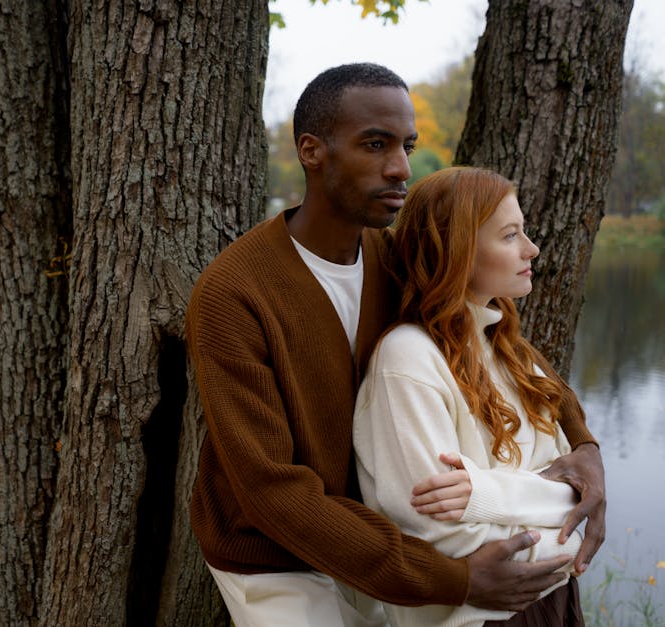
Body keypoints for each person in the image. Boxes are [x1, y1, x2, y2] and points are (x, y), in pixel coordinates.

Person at [185, 63, 605, 626]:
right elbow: (272, 492)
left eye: (407, 146)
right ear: (312, 150)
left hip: (378, 525)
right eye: (376, 145)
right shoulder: (233, 294)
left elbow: (504, 344)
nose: (401, 168)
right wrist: (455, 579)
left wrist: (584, 449)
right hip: (275, 554)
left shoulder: (393, 261)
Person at [353, 166, 589, 626]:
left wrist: (485, 492)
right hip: (479, 617)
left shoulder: (510, 353)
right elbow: (441, 533)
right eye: (509, 236)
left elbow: (575, 488)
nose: (532, 249)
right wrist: (568, 540)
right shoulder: (408, 361)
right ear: (458, 250)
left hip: (553, 603)